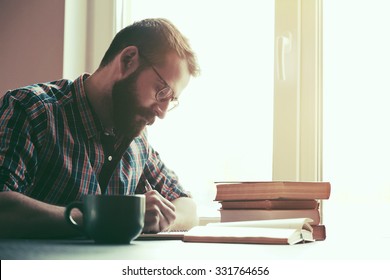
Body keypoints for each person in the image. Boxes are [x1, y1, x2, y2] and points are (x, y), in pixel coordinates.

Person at [0, 18, 200, 238]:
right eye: (161, 91)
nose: (162, 112)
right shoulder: (31, 110)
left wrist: (159, 219)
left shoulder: (136, 140)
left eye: (170, 100)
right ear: (128, 60)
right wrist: (104, 217)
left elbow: (188, 208)